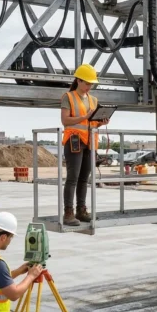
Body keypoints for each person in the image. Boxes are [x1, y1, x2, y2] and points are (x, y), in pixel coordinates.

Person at [60, 64, 109, 226]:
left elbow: (92, 123)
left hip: (90, 143)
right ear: (78, 81)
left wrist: (101, 122)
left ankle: (81, 210)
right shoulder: (69, 97)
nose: (89, 86)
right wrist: (86, 116)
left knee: (84, 179)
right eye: (87, 83)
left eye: (91, 84)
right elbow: (65, 121)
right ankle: (68, 213)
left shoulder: (94, 100)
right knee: (72, 178)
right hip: (74, 142)